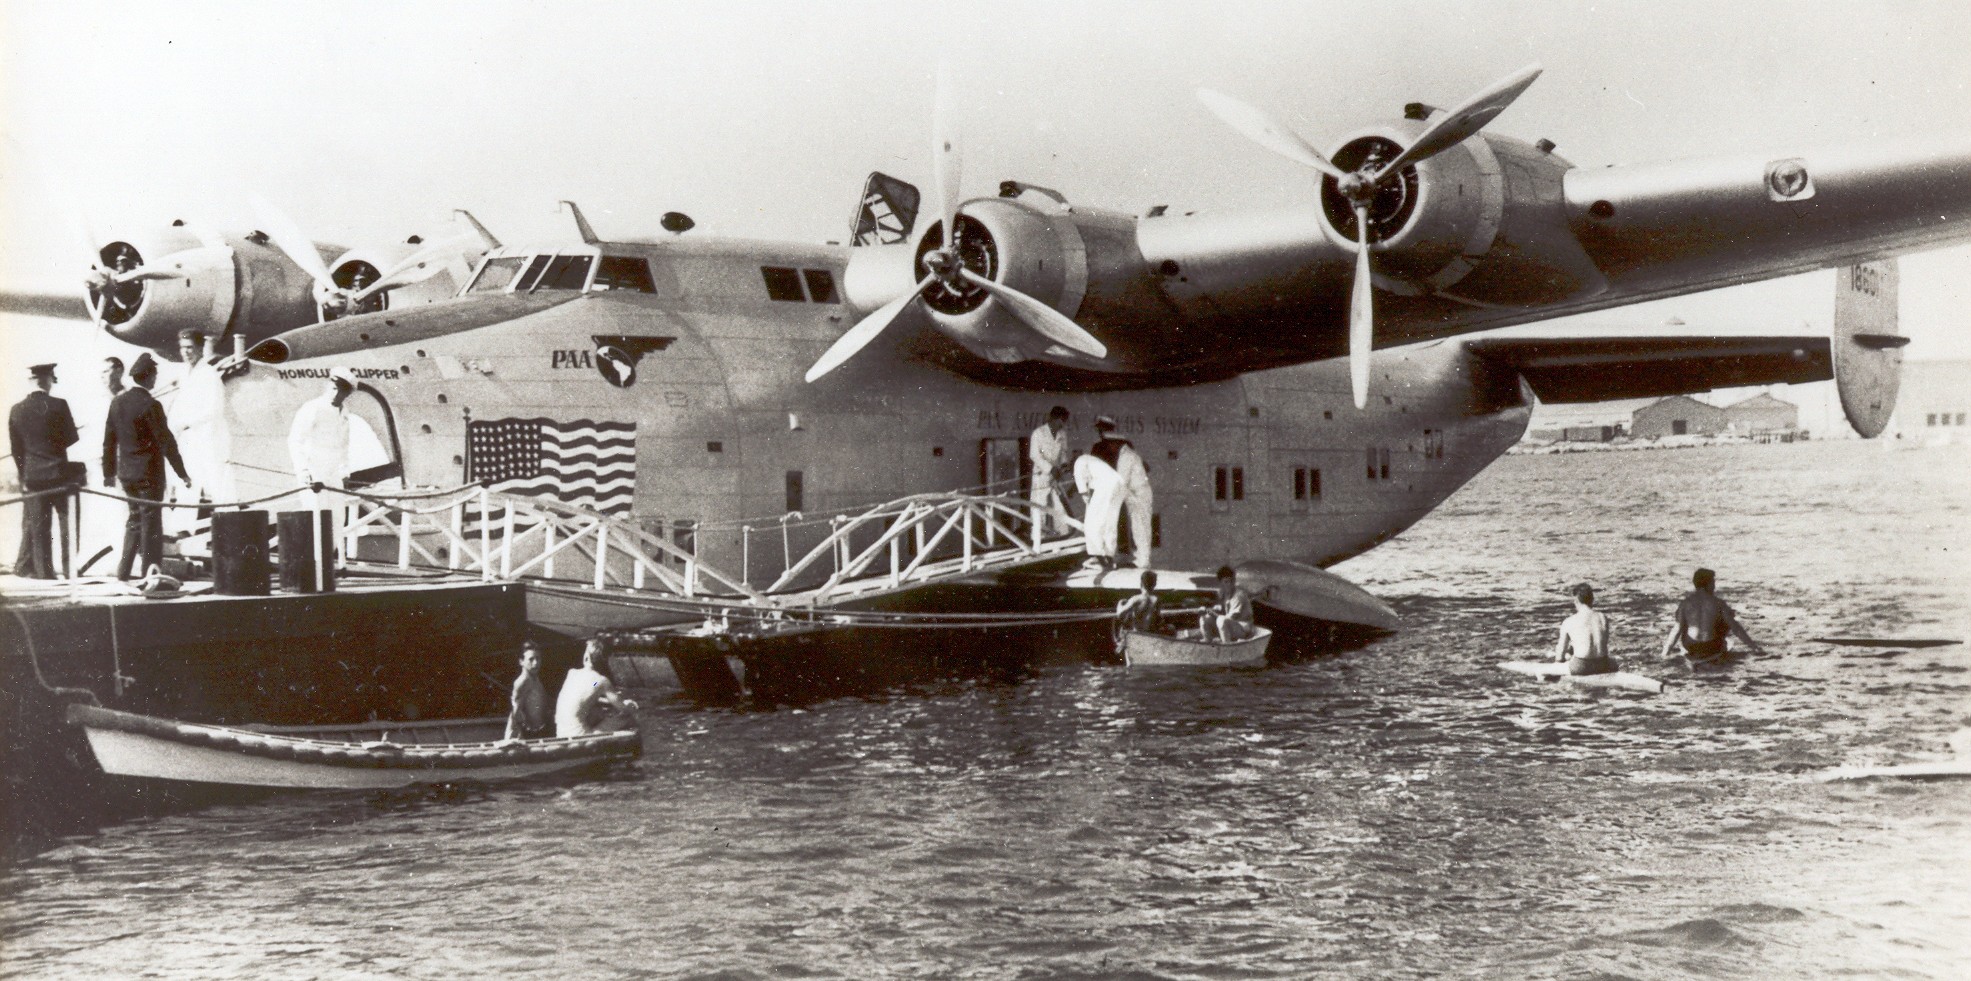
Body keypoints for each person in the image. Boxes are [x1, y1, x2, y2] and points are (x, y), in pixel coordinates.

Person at [103, 354, 191, 580]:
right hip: (149, 476)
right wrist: (182, 473)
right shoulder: (151, 405)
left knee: (133, 521)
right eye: (155, 375)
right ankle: (151, 576)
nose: (155, 380)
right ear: (149, 376)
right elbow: (166, 442)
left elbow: (109, 441)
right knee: (151, 525)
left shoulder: (117, 403)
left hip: (127, 476)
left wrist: (108, 473)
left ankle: (123, 573)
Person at [9, 364, 80, 579]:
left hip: (33, 478)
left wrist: (25, 474)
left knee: (40, 530)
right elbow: (71, 438)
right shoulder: (59, 405)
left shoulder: (16, 409)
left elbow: (16, 449)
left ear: (31, 381)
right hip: (59, 473)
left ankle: (44, 573)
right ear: (48, 380)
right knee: (68, 524)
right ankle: (70, 571)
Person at [173, 329, 236, 505]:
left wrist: (187, 423)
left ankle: (228, 519)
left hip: (210, 435)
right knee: (186, 479)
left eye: (190, 348)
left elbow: (214, 408)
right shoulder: (184, 373)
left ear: (200, 348)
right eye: (183, 348)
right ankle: (183, 527)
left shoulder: (209, 374)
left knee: (218, 481)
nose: (186, 352)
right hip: (189, 437)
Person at [1659, 568, 1764, 663]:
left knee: (1684, 622)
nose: (1714, 586)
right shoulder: (1718, 603)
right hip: (1712, 647)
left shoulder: (1685, 603)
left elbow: (1677, 629)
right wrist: (1754, 648)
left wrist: (1665, 652)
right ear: (1708, 584)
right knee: (1728, 616)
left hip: (1692, 646)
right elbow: (1736, 628)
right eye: (1713, 582)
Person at [287, 368, 356, 502]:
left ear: (347, 394)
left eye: (341, 392)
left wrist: (344, 471)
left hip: (335, 476)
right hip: (314, 474)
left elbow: (343, 445)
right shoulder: (313, 407)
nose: (336, 394)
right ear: (328, 386)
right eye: (334, 389)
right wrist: (303, 471)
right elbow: (295, 440)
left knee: (337, 519)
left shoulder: (344, 413)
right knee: (316, 517)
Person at [555, 639, 640, 737]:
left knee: (597, 712)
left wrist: (607, 701)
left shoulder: (572, 673)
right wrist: (630, 705)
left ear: (586, 657)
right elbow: (624, 709)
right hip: (580, 736)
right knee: (626, 716)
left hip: (561, 733)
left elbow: (591, 688)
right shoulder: (601, 681)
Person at [1072, 424, 1122, 569]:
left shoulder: (1078, 462)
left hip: (1106, 487)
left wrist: (1087, 500)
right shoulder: (1091, 461)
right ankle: (1110, 558)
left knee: (1091, 523)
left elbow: (1084, 492)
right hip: (1118, 484)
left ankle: (1098, 558)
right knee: (1109, 522)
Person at [1554, 582, 1615, 675]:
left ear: (1576, 601)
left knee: (1545, 670)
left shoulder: (1569, 621)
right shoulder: (1603, 617)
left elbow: (1560, 653)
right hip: (1603, 664)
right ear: (1592, 599)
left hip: (1582, 666)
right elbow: (1601, 643)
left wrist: (1559, 663)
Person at [1028, 405, 1072, 536]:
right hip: (1041, 476)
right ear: (1056, 419)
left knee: (1060, 507)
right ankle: (1037, 538)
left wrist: (1064, 465)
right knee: (1039, 507)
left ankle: (1063, 536)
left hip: (1056, 477)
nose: (1063, 425)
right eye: (1062, 421)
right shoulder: (1039, 433)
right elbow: (1034, 455)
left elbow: (1063, 453)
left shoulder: (1062, 434)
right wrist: (1050, 468)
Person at [503, 640, 552, 741]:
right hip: (528, 735)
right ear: (521, 661)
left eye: (538, 658)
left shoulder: (535, 678)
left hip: (540, 731)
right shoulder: (523, 682)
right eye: (531, 659)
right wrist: (510, 740)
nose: (536, 663)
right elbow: (515, 713)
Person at [1202, 565, 1255, 643]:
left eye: (1231, 581)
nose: (1229, 584)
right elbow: (1220, 609)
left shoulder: (1239, 595)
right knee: (1204, 618)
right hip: (1230, 627)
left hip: (1243, 629)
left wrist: (1214, 614)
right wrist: (1208, 610)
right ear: (1221, 583)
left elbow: (1232, 617)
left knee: (1221, 620)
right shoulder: (1223, 594)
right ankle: (1208, 642)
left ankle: (1226, 645)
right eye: (1226, 582)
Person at [1114, 569, 1166, 635]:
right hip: (1152, 634)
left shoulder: (1136, 599)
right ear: (1155, 584)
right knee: (1170, 628)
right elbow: (1159, 620)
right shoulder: (1157, 599)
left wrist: (1120, 603)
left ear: (1141, 584)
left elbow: (1119, 615)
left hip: (1138, 633)